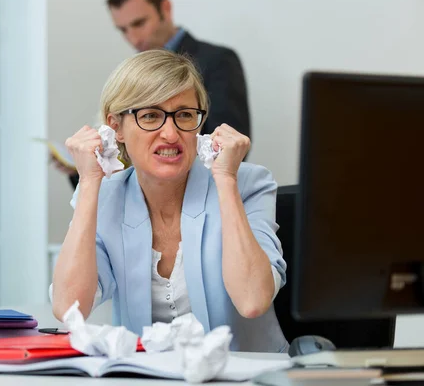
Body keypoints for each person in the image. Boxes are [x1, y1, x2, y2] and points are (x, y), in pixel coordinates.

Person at [51, 50, 288, 352]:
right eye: (150, 115)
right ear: (115, 128)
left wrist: (226, 179)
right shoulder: (105, 197)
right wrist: (88, 183)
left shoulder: (248, 185)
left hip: (246, 376)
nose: (170, 133)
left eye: (185, 115)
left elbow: (252, 301)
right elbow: (69, 307)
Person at [56, 0, 251, 188]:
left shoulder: (217, 61)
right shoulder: (131, 75)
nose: (133, 38)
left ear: (165, 8)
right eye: (123, 30)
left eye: (139, 23)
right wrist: (88, 167)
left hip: (202, 195)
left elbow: (229, 146)